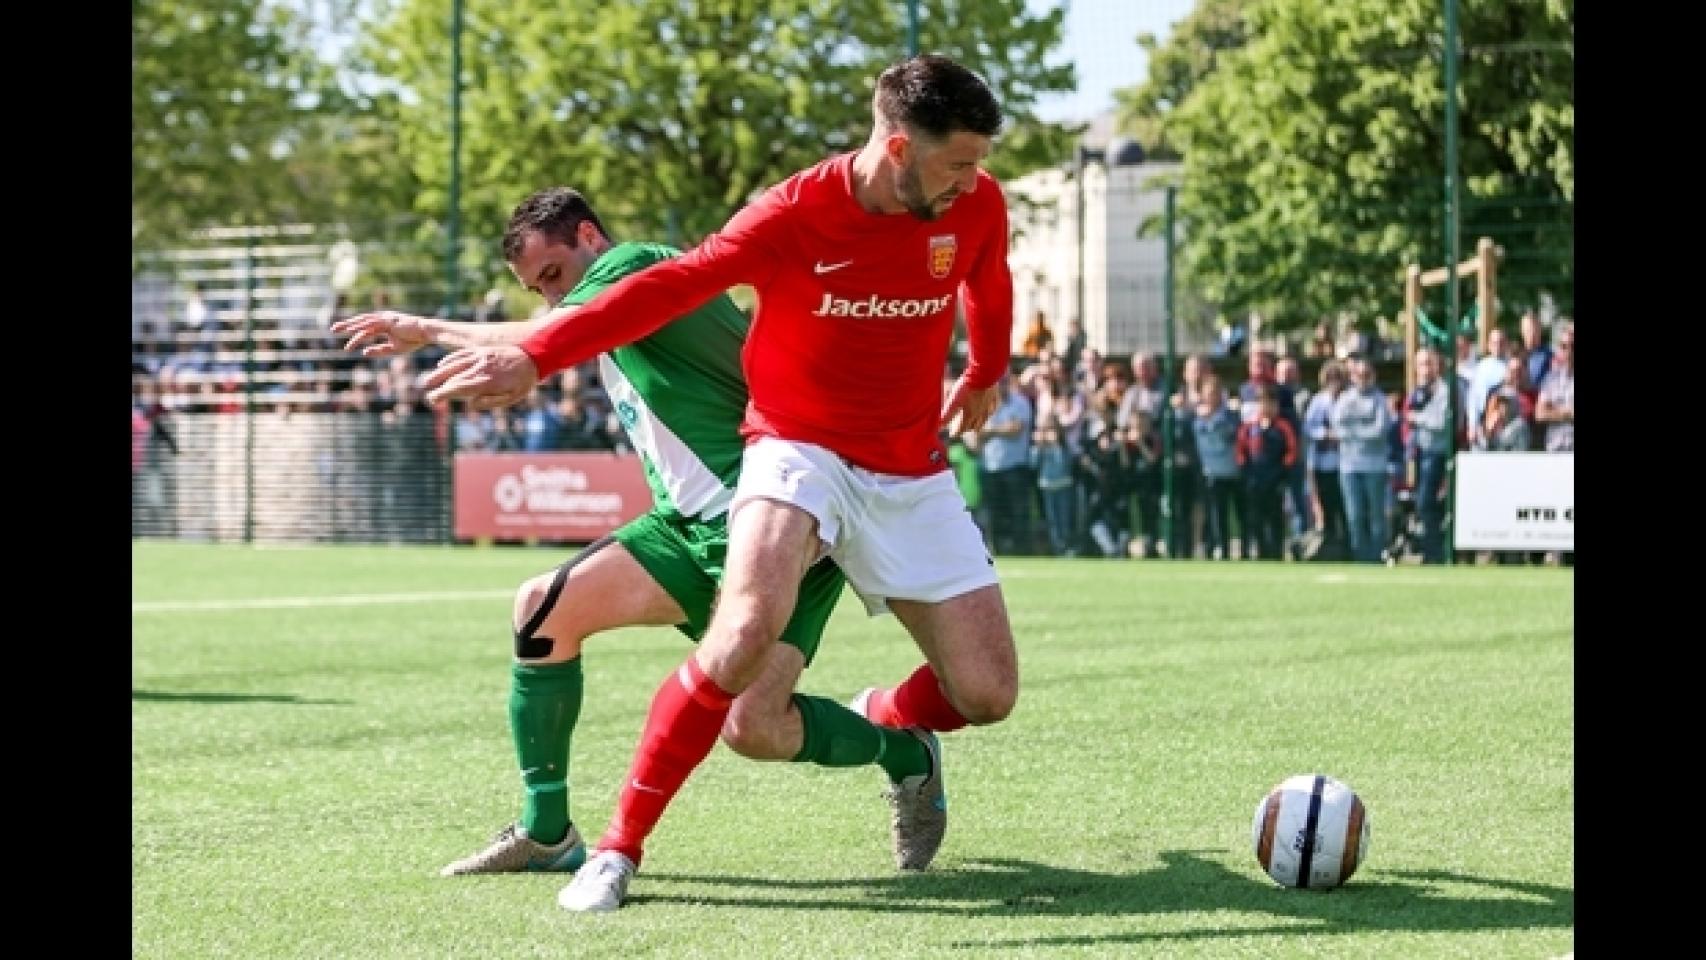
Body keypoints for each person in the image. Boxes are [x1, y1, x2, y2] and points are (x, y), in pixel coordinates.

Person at [411, 54, 1020, 913]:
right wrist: (538, 355)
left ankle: (892, 726)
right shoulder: (793, 213)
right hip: (796, 450)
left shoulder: (973, 203)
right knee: (736, 636)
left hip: (907, 461)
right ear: (895, 147)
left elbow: (987, 280)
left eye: (977, 162)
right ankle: (613, 851)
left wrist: (986, 369)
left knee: (987, 694)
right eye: (957, 161)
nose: (971, 179)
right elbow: (670, 286)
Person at [332, 187, 938, 882]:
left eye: (554, 274)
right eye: (537, 288)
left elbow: (542, 337)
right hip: (685, 528)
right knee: (541, 611)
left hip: (777, 521)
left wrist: (428, 329)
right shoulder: (601, 304)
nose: (551, 296)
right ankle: (547, 832)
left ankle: (907, 754)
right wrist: (439, 331)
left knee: (755, 728)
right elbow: (551, 332)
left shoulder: (635, 265)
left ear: (591, 238)